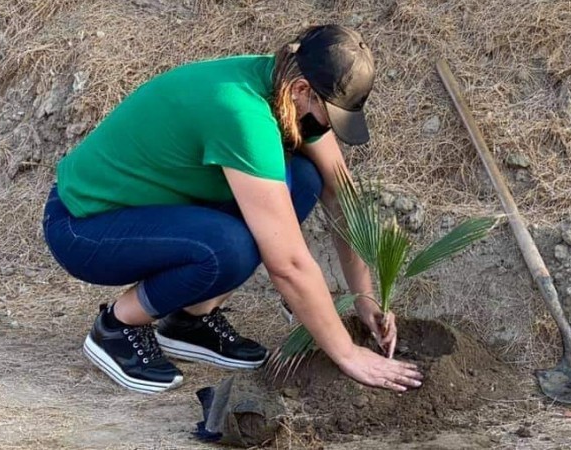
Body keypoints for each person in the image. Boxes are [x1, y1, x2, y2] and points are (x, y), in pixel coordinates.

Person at [41, 24, 423, 394]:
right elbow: (287, 264)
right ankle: (117, 326)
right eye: (330, 117)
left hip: (152, 210)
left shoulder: (285, 84)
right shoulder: (243, 115)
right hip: (84, 226)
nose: (326, 128)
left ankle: (189, 322)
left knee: (305, 178)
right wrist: (347, 353)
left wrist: (365, 297)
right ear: (303, 90)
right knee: (229, 247)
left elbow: (342, 197)